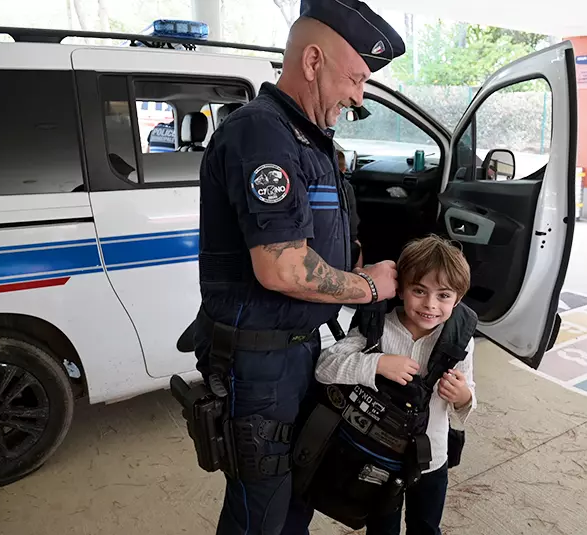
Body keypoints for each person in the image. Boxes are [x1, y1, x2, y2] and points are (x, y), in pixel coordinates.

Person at [194, 1, 405, 534]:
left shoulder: (308, 139)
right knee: (258, 509)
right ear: (312, 61)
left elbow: (317, 234)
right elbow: (282, 267)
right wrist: (367, 288)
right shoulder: (262, 133)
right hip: (257, 363)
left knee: (298, 489)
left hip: (298, 352)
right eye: (355, 78)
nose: (359, 96)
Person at [315, 235, 476, 535]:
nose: (430, 305)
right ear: (400, 289)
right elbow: (325, 367)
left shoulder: (458, 340)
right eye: (419, 291)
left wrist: (463, 396)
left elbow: (467, 400)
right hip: (378, 457)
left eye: (443, 296)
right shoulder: (377, 327)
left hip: (432, 458)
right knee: (381, 527)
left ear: (458, 299)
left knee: (426, 526)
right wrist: (377, 363)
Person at [337, 149, 363, 268]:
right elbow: (352, 220)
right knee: (356, 245)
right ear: (344, 170)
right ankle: (359, 274)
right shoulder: (346, 187)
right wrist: (354, 237)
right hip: (342, 240)